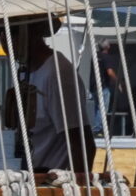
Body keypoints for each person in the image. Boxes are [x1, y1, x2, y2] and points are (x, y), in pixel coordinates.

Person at [16, 24, 89, 173]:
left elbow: (81, 143)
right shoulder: (24, 72)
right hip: (27, 179)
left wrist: (77, 187)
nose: (3, 40)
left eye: (8, 32)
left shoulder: (58, 75)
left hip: (49, 184)